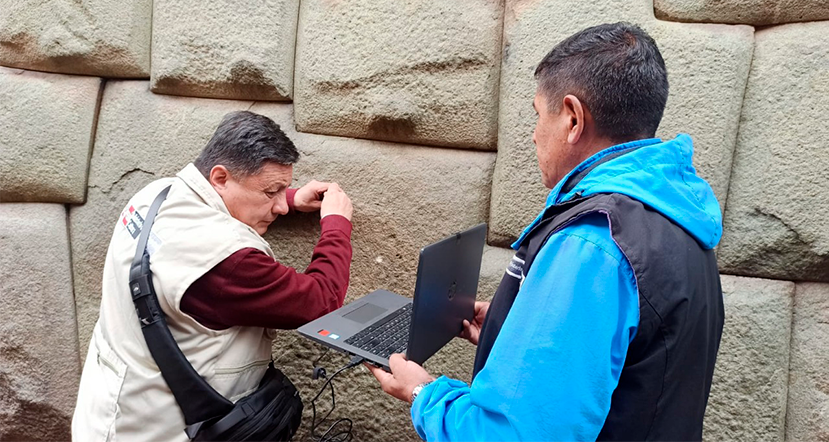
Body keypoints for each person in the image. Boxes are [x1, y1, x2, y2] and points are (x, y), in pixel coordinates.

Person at [368, 22, 724, 442]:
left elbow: (515, 435)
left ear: (573, 119)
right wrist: (512, 327)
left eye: (539, 116)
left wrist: (424, 393)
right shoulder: (677, 218)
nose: (535, 134)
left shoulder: (592, 242)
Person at [72, 111, 354, 442]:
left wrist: (290, 198)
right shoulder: (226, 264)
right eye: (270, 192)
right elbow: (320, 302)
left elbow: (212, 206)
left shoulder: (154, 195)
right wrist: (336, 224)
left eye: (283, 190)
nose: (279, 206)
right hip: (160, 431)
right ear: (220, 178)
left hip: (107, 414)